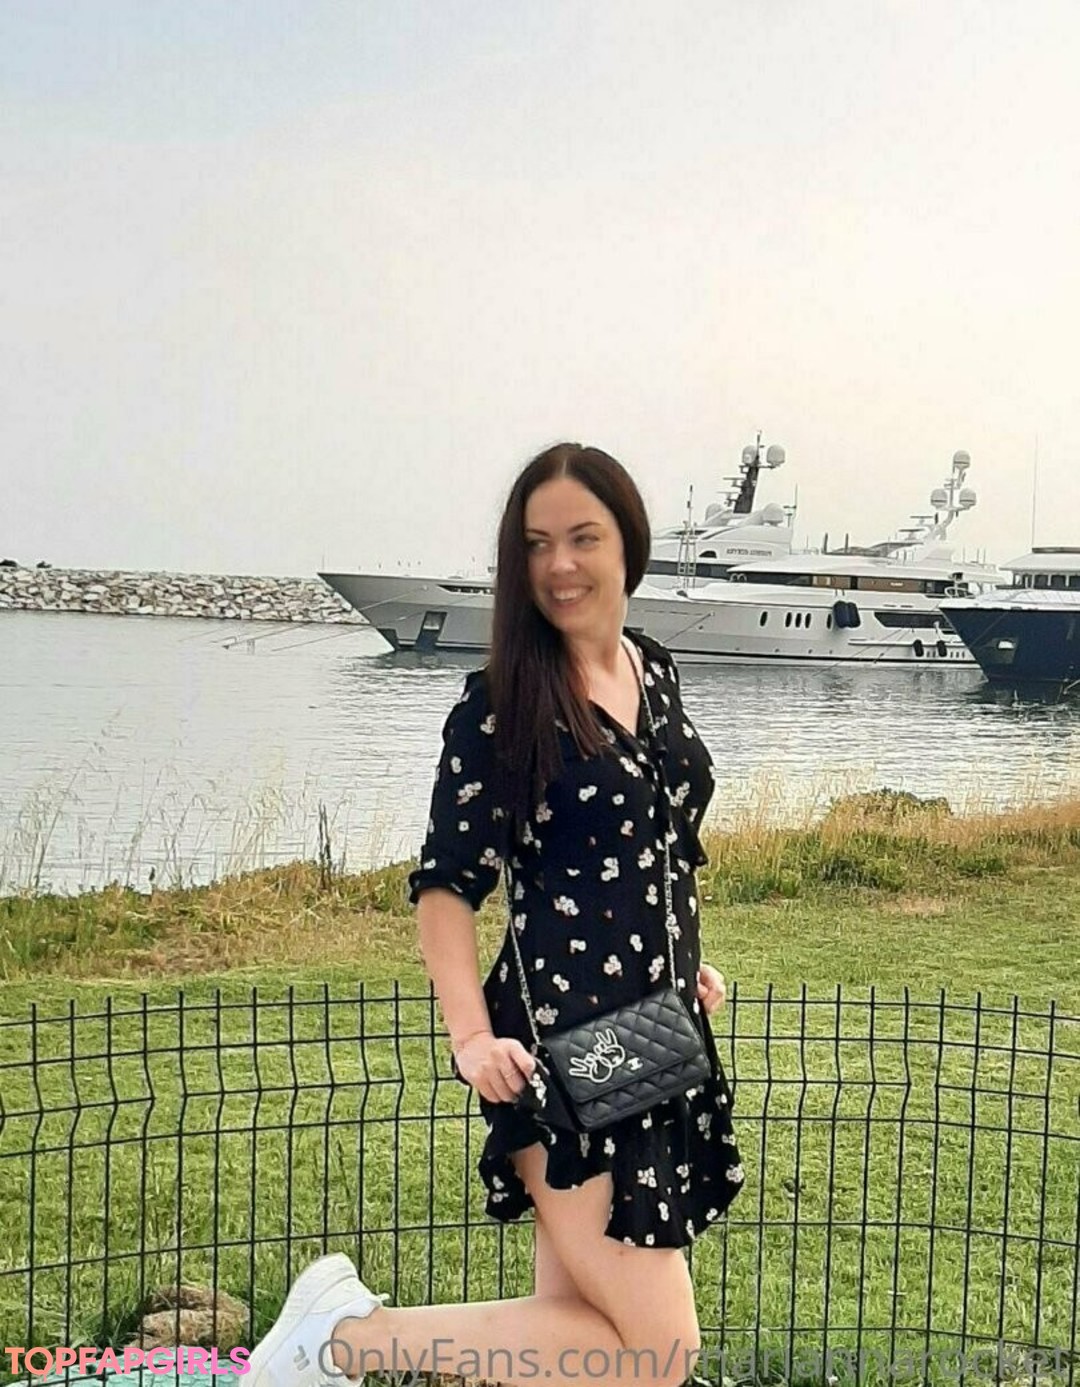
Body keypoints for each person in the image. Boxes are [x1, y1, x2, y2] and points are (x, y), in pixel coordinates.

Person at [248, 443, 744, 1387]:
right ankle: (342, 1338)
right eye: (536, 544)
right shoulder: (501, 705)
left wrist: (685, 961)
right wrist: (470, 1038)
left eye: (582, 537)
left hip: (652, 1034)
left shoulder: (655, 670)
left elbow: (662, 841)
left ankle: (339, 1337)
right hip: (563, 1044)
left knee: (581, 1333)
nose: (559, 564)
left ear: (628, 543)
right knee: (658, 1351)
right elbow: (447, 886)